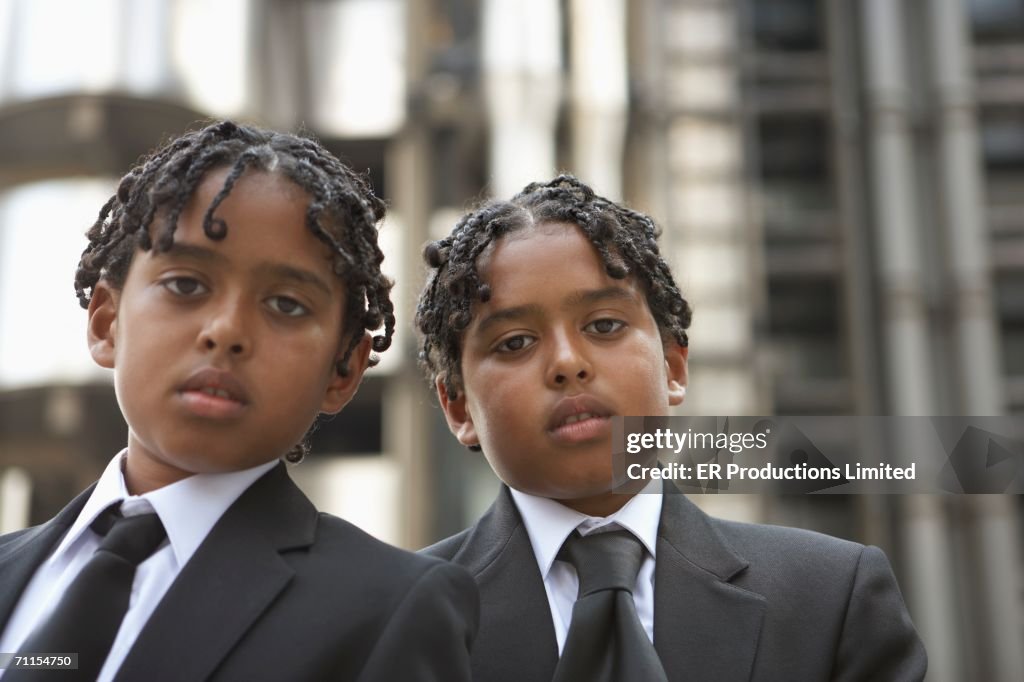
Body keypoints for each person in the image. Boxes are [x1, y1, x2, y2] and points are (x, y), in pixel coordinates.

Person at [0, 121, 477, 681]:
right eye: (186, 285)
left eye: (287, 304)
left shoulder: (393, 608)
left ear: (343, 369)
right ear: (107, 322)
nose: (226, 331)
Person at [415, 174, 926, 681]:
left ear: (673, 368)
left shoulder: (830, 594)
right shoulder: (398, 618)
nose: (567, 363)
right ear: (458, 408)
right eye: (515, 342)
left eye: (604, 326)